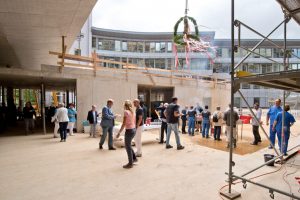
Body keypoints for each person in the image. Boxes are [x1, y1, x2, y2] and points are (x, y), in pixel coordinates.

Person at [116, 100, 137, 169]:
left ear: (125, 105)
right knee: (129, 145)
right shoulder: (133, 112)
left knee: (127, 147)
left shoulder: (126, 112)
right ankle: (134, 159)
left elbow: (124, 123)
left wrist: (119, 132)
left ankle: (130, 163)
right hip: (133, 129)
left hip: (129, 131)